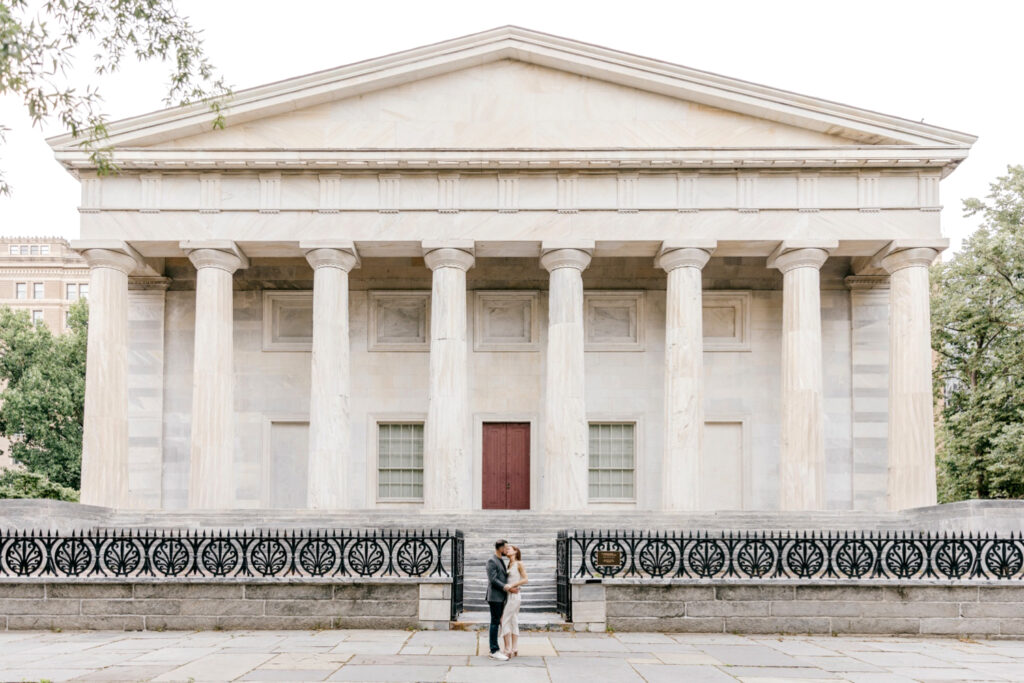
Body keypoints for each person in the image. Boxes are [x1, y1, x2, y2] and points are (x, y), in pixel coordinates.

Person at [486, 539, 517, 661]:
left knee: (500, 622)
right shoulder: (492, 560)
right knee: (494, 623)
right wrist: (507, 587)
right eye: (506, 547)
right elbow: (493, 579)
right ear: (500, 548)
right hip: (495, 597)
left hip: (501, 597)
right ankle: (494, 650)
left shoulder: (500, 560)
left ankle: (503, 648)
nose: (507, 549)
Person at [500, 545, 528, 657]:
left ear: (515, 551)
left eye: (509, 549)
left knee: (504, 620)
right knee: (513, 620)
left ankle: (507, 650)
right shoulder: (508, 564)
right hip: (508, 595)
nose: (506, 550)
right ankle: (514, 648)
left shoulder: (519, 563)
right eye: (505, 549)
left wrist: (512, 585)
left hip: (514, 595)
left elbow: (525, 579)